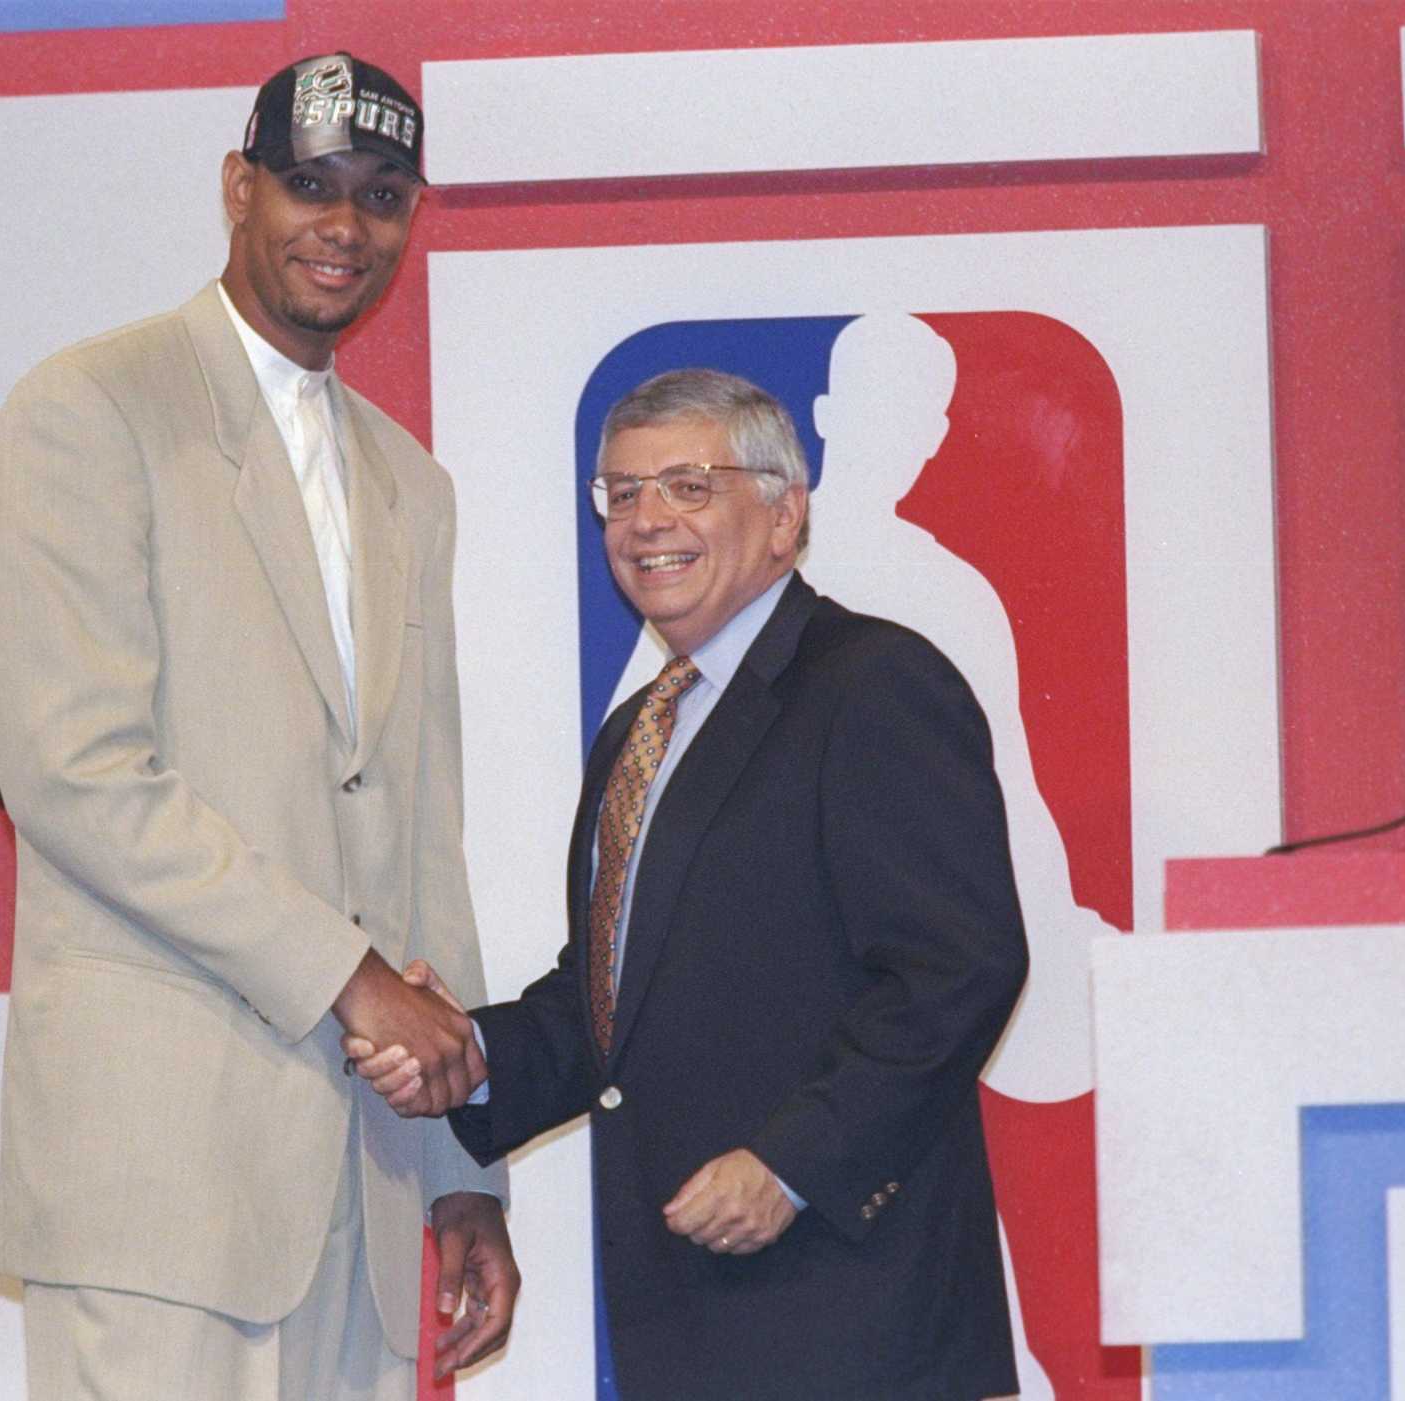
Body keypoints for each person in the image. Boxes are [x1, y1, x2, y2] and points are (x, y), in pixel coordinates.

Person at [0, 52, 517, 1401]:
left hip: (372, 1180)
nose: (345, 226)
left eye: (381, 195)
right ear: (239, 188)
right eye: (310, 186)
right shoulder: (91, 411)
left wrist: (463, 1165)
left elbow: (419, 832)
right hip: (159, 1169)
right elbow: (78, 776)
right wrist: (350, 976)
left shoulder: (413, 486)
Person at [349, 369, 1027, 1398]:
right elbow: (611, 1007)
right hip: (686, 1325)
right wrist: (469, 1054)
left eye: (686, 486)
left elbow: (956, 970)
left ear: (782, 515)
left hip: (858, 1325)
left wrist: (791, 1164)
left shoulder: (872, 683)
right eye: (619, 494)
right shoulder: (640, 732)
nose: (644, 521)